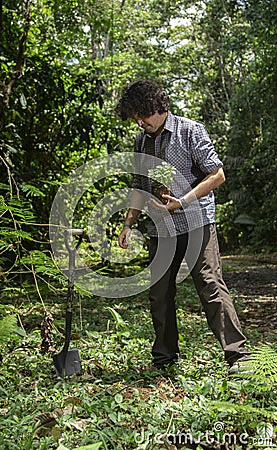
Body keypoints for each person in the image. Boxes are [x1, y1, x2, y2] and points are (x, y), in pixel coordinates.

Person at [116, 79, 250, 374]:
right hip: (160, 228)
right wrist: (128, 224)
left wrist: (183, 200)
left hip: (196, 220)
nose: (139, 122)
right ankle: (164, 358)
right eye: (135, 117)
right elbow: (139, 186)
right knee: (159, 292)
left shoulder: (190, 130)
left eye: (143, 114)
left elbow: (217, 175)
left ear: (158, 106)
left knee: (210, 285)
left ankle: (238, 356)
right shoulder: (142, 142)